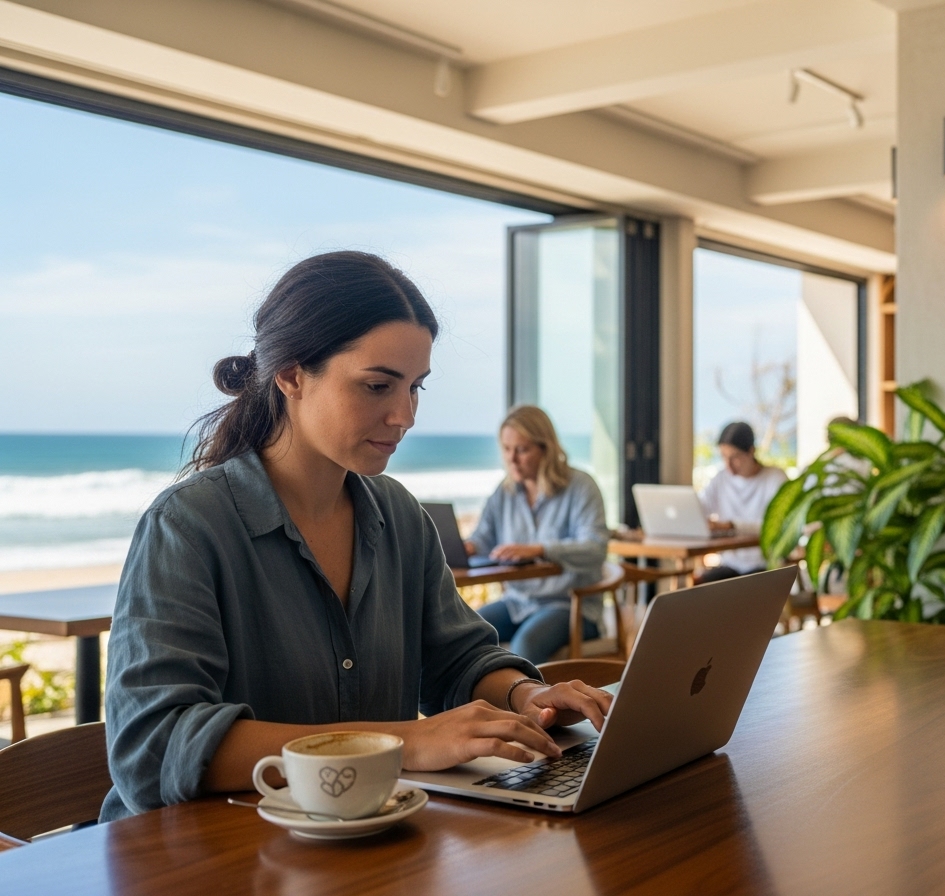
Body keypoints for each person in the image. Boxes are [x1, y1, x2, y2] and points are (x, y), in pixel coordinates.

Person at [102, 252, 611, 821]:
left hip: (361, 843)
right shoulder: (189, 526)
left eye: (415, 388)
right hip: (202, 856)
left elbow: (456, 658)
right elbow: (155, 747)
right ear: (292, 375)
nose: (405, 415)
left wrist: (527, 697)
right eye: (377, 386)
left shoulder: (399, 516)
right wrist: (402, 743)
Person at [466, 406, 609, 664]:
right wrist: (464, 546)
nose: (512, 459)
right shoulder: (504, 492)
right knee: (466, 635)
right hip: (517, 602)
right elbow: (482, 541)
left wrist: (540, 549)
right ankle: (479, 705)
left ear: (546, 448)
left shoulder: (581, 486)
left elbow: (595, 548)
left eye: (521, 450)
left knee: (525, 645)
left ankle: (530, 705)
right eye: (507, 450)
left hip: (569, 605)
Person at [697, 421, 790, 582]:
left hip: (766, 564)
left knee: (745, 586)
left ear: (751, 452)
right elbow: (700, 508)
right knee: (701, 587)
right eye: (724, 457)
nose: (728, 465)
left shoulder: (775, 479)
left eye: (734, 458)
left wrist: (732, 526)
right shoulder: (721, 479)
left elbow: (778, 527)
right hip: (730, 564)